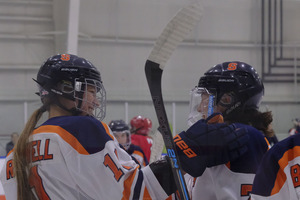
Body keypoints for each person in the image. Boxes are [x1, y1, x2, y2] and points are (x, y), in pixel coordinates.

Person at [0, 54, 249, 200]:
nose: (95, 100)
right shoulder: (79, 129)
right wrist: (188, 150)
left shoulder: (15, 153)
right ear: (67, 89)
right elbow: (135, 194)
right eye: (90, 90)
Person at [182, 61, 270, 200]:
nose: (199, 109)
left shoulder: (245, 137)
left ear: (227, 100)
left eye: (205, 100)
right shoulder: (222, 138)